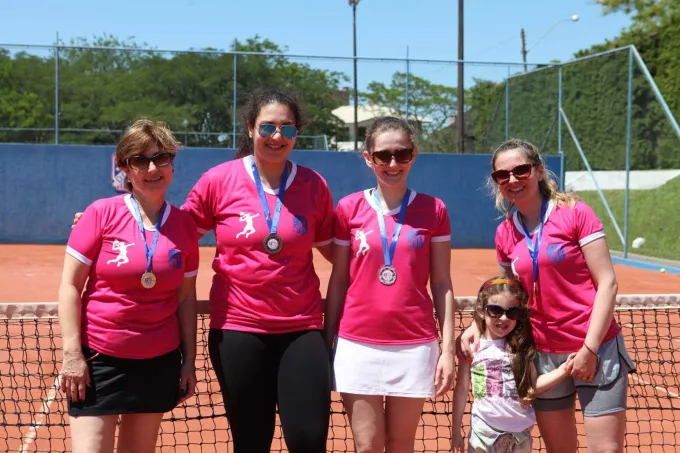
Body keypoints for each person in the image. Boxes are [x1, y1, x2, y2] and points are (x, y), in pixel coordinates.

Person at [181, 88, 335, 453]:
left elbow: (335, 250)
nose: (277, 137)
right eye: (268, 127)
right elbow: (177, 231)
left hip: (302, 327)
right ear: (251, 128)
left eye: (287, 129)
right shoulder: (219, 180)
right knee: (251, 442)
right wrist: (117, 221)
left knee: (309, 439)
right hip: (238, 328)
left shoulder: (313, 185)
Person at [458, 138, 636, 453]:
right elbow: (507, 292)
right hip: (541, 353)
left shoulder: (575, 213)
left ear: (539, 171)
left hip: (597, 347)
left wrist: (589, 350)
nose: (513, 179)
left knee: (605, 449)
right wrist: (477, 323)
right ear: (497, 182)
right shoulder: (505, 232)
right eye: (503, 175)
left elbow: (607, 283)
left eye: (521, 170)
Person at [58, 119, 199, 453]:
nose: (152, 168)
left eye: (161, 157)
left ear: (171, 163)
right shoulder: (100, 213)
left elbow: (185, 299)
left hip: (158, 361)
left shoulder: (184, 226)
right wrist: (72, 355)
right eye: (140, 160)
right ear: (125, 167)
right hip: (99, 360)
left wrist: (189, 361)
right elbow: (69, 286)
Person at [324, 116, 456, 452]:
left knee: (400, 445)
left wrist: (449, 349)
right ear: (368, 158)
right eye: (383, 155)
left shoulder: (434, 209)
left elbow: (441, 283)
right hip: (357, 344)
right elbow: (339, 280)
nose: (393, 163)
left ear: (414, 154)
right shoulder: (348, 209)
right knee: (367, 446)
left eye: (402, 153)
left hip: (414, 345)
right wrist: (328, 341)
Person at [451, 276, 575, 453]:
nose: (503, 318)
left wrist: (564, 369)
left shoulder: (522, 347)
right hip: (483, 434)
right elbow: (462, 389)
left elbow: (532, 386)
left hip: (520, 436)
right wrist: (455, 431)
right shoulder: (472, 346)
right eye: (495, 310)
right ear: (481, 311)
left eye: (512, 312)